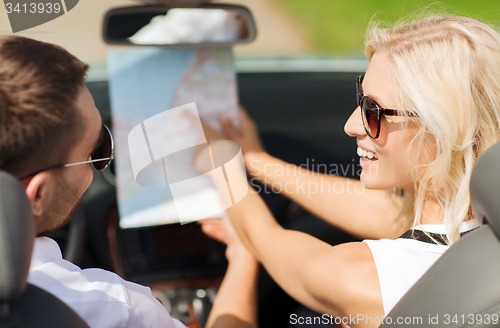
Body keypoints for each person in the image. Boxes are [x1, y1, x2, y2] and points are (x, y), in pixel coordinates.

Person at [201, 14, 500, 325]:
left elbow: (264, 237)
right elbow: (382, 213)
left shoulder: (367, 278)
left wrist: (222, 167)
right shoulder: (483, 240)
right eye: (360, 99)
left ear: (440, 127)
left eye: (373, 111)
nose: (351, 125)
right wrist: (256, 161)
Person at [0, 35, 258, 328]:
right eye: (96, 151)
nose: (105, 158)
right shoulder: (113, 309)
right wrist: (247, 249)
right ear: (37, 195)